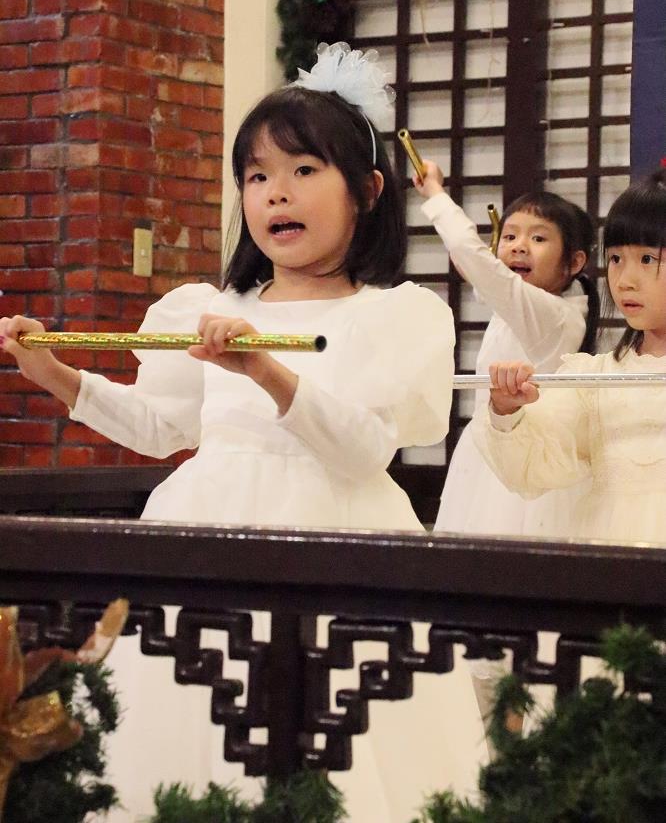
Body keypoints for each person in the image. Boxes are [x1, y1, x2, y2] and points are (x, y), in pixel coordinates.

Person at [0, 43, 485, 822]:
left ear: (367, 191)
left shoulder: (398, 315)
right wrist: (53, 372)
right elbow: (159, 427)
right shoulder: (210, 306)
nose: (275, 193)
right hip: (203, 544)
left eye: (303, 170)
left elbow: (364, 449)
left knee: (331, 750)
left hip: (339, 551)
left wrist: (265, 370)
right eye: (256, 177)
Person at [475, 167, 666, 545]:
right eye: (616, 259)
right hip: (611, 556)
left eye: (647, 259)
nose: (625, 280)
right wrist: (507, 410)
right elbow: (535, 466)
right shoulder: (595, 379)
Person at [413, 162, 599, 539]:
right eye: (510, 235)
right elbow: (474, 267)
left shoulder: (552, 314)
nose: (518, 246)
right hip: (489, 449)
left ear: (574, 262)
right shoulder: (528, 304)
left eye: (538, 238)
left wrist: (433, 190)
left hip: (521, 462)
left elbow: (472, 257)